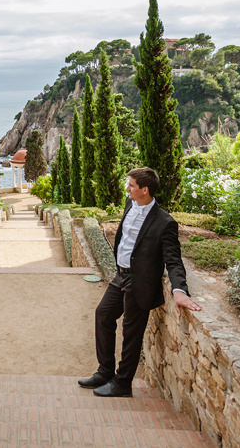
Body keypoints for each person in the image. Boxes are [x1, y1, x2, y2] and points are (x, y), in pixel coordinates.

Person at [78, 166, 202, 397]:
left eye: (131, 186)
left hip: (140, 282)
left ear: (144, 189)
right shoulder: (130, 205)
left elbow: (173, 260)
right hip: (120, 276)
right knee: (103, 315)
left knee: (131, 333)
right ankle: (105, 372)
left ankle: (123, 383)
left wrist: (179, 290)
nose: (127, 189)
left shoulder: (165, 222)